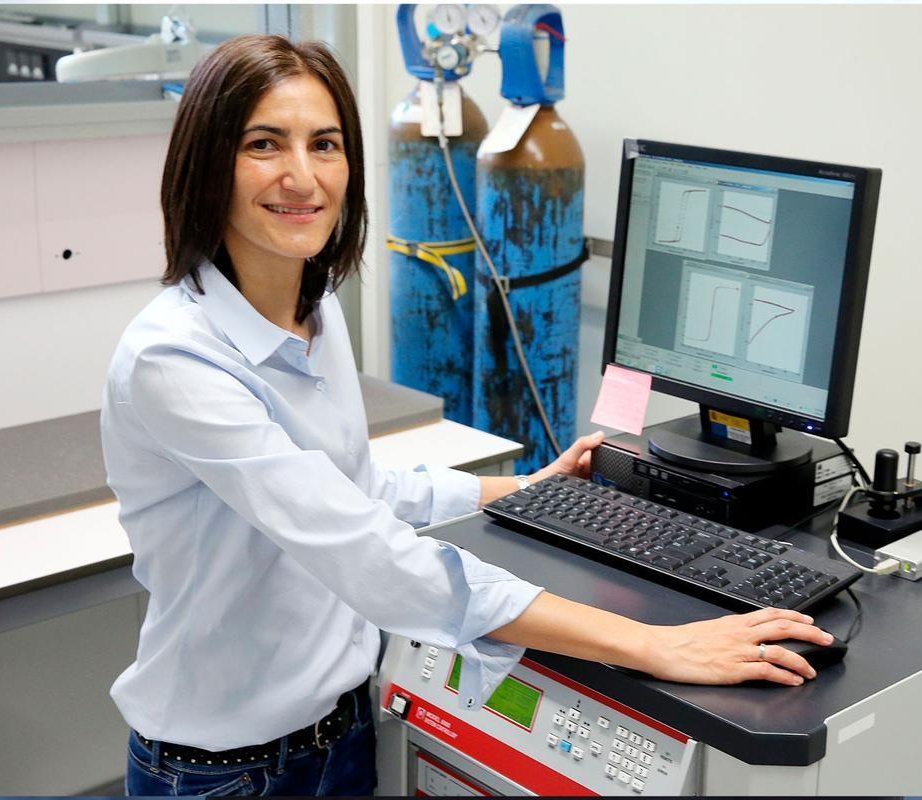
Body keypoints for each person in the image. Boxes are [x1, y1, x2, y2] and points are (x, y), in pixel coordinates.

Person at [102, 35, 834, 797]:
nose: (303, 175)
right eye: (264, 144)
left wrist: (522, 490)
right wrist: (651, 644)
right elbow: (364, 552)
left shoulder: (312, 309)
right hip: (227, 774)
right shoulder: (177, 361)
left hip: (341, 736)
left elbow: (351, 488)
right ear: (207, 163)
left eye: (324, 144)